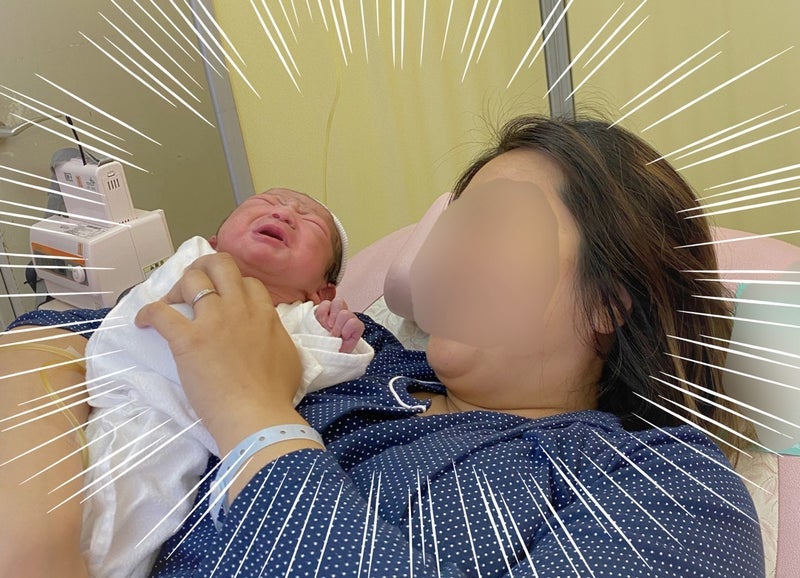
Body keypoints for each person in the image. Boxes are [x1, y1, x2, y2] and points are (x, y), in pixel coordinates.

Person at [1, 115, 764, 577]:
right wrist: (37, 542)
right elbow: (58, 338)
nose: (446, 246)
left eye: (494, 222)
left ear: (609, 301)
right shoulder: (363, 350)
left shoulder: (667, 487)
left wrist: (253, 416)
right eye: (455, 219)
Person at [1, 188, 374, 577]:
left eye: (311, 220)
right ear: (215, 242)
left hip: (177, 457)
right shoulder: (192, 264)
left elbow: (317, 374)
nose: (284, 213)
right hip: (121, 411)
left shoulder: (302, 323)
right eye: (267, 202)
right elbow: (128, 329)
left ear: (321, 291)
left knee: (127, 538)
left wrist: (339, 339)